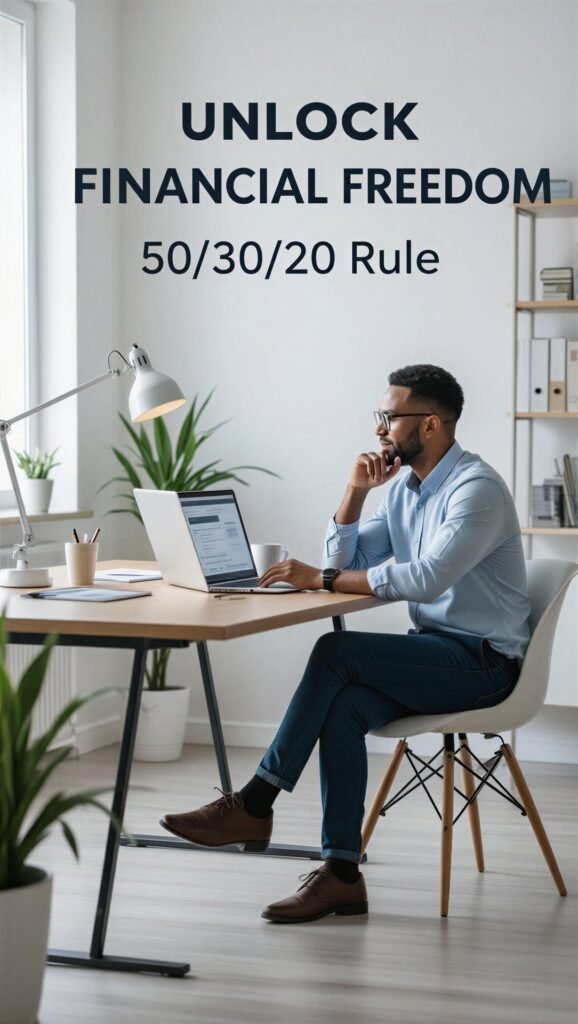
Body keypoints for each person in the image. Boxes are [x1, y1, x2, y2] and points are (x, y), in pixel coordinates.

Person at [161, 363, 531, 923]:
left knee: (337, 652)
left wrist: (321, 579)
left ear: (430, 424)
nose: (379, 428)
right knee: (345, 706)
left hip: (486, 663)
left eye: (389, 416)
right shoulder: (406, 490)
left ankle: (255, 802)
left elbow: (424, 579)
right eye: (378, 415)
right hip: (436, 654)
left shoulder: (475, 490)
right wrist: (355, 493)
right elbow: (344, 561)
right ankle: (341, 875)